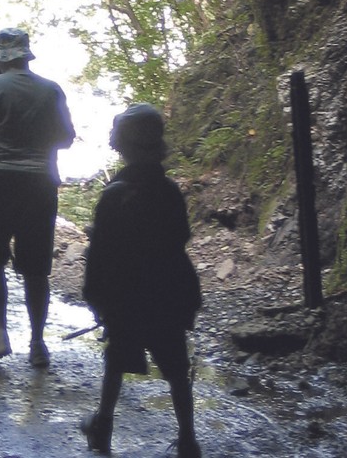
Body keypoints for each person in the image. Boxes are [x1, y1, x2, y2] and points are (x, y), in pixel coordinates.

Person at [79, 104, 202, 458]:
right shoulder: (169, 191)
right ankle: (188, 439)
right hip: (166, 295)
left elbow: (100, 252)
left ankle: (103, 427)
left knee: (116, 362)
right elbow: (181, 237)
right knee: (177, 369)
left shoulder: (114, 194)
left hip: (125, 298)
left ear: (122, 146)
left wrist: (95, 297)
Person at [0, 28, 75, 366]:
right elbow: (67, 138)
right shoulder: (50, 89)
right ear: (26, 54)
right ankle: (38, 344)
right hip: (40, 181)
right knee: (36, 268)